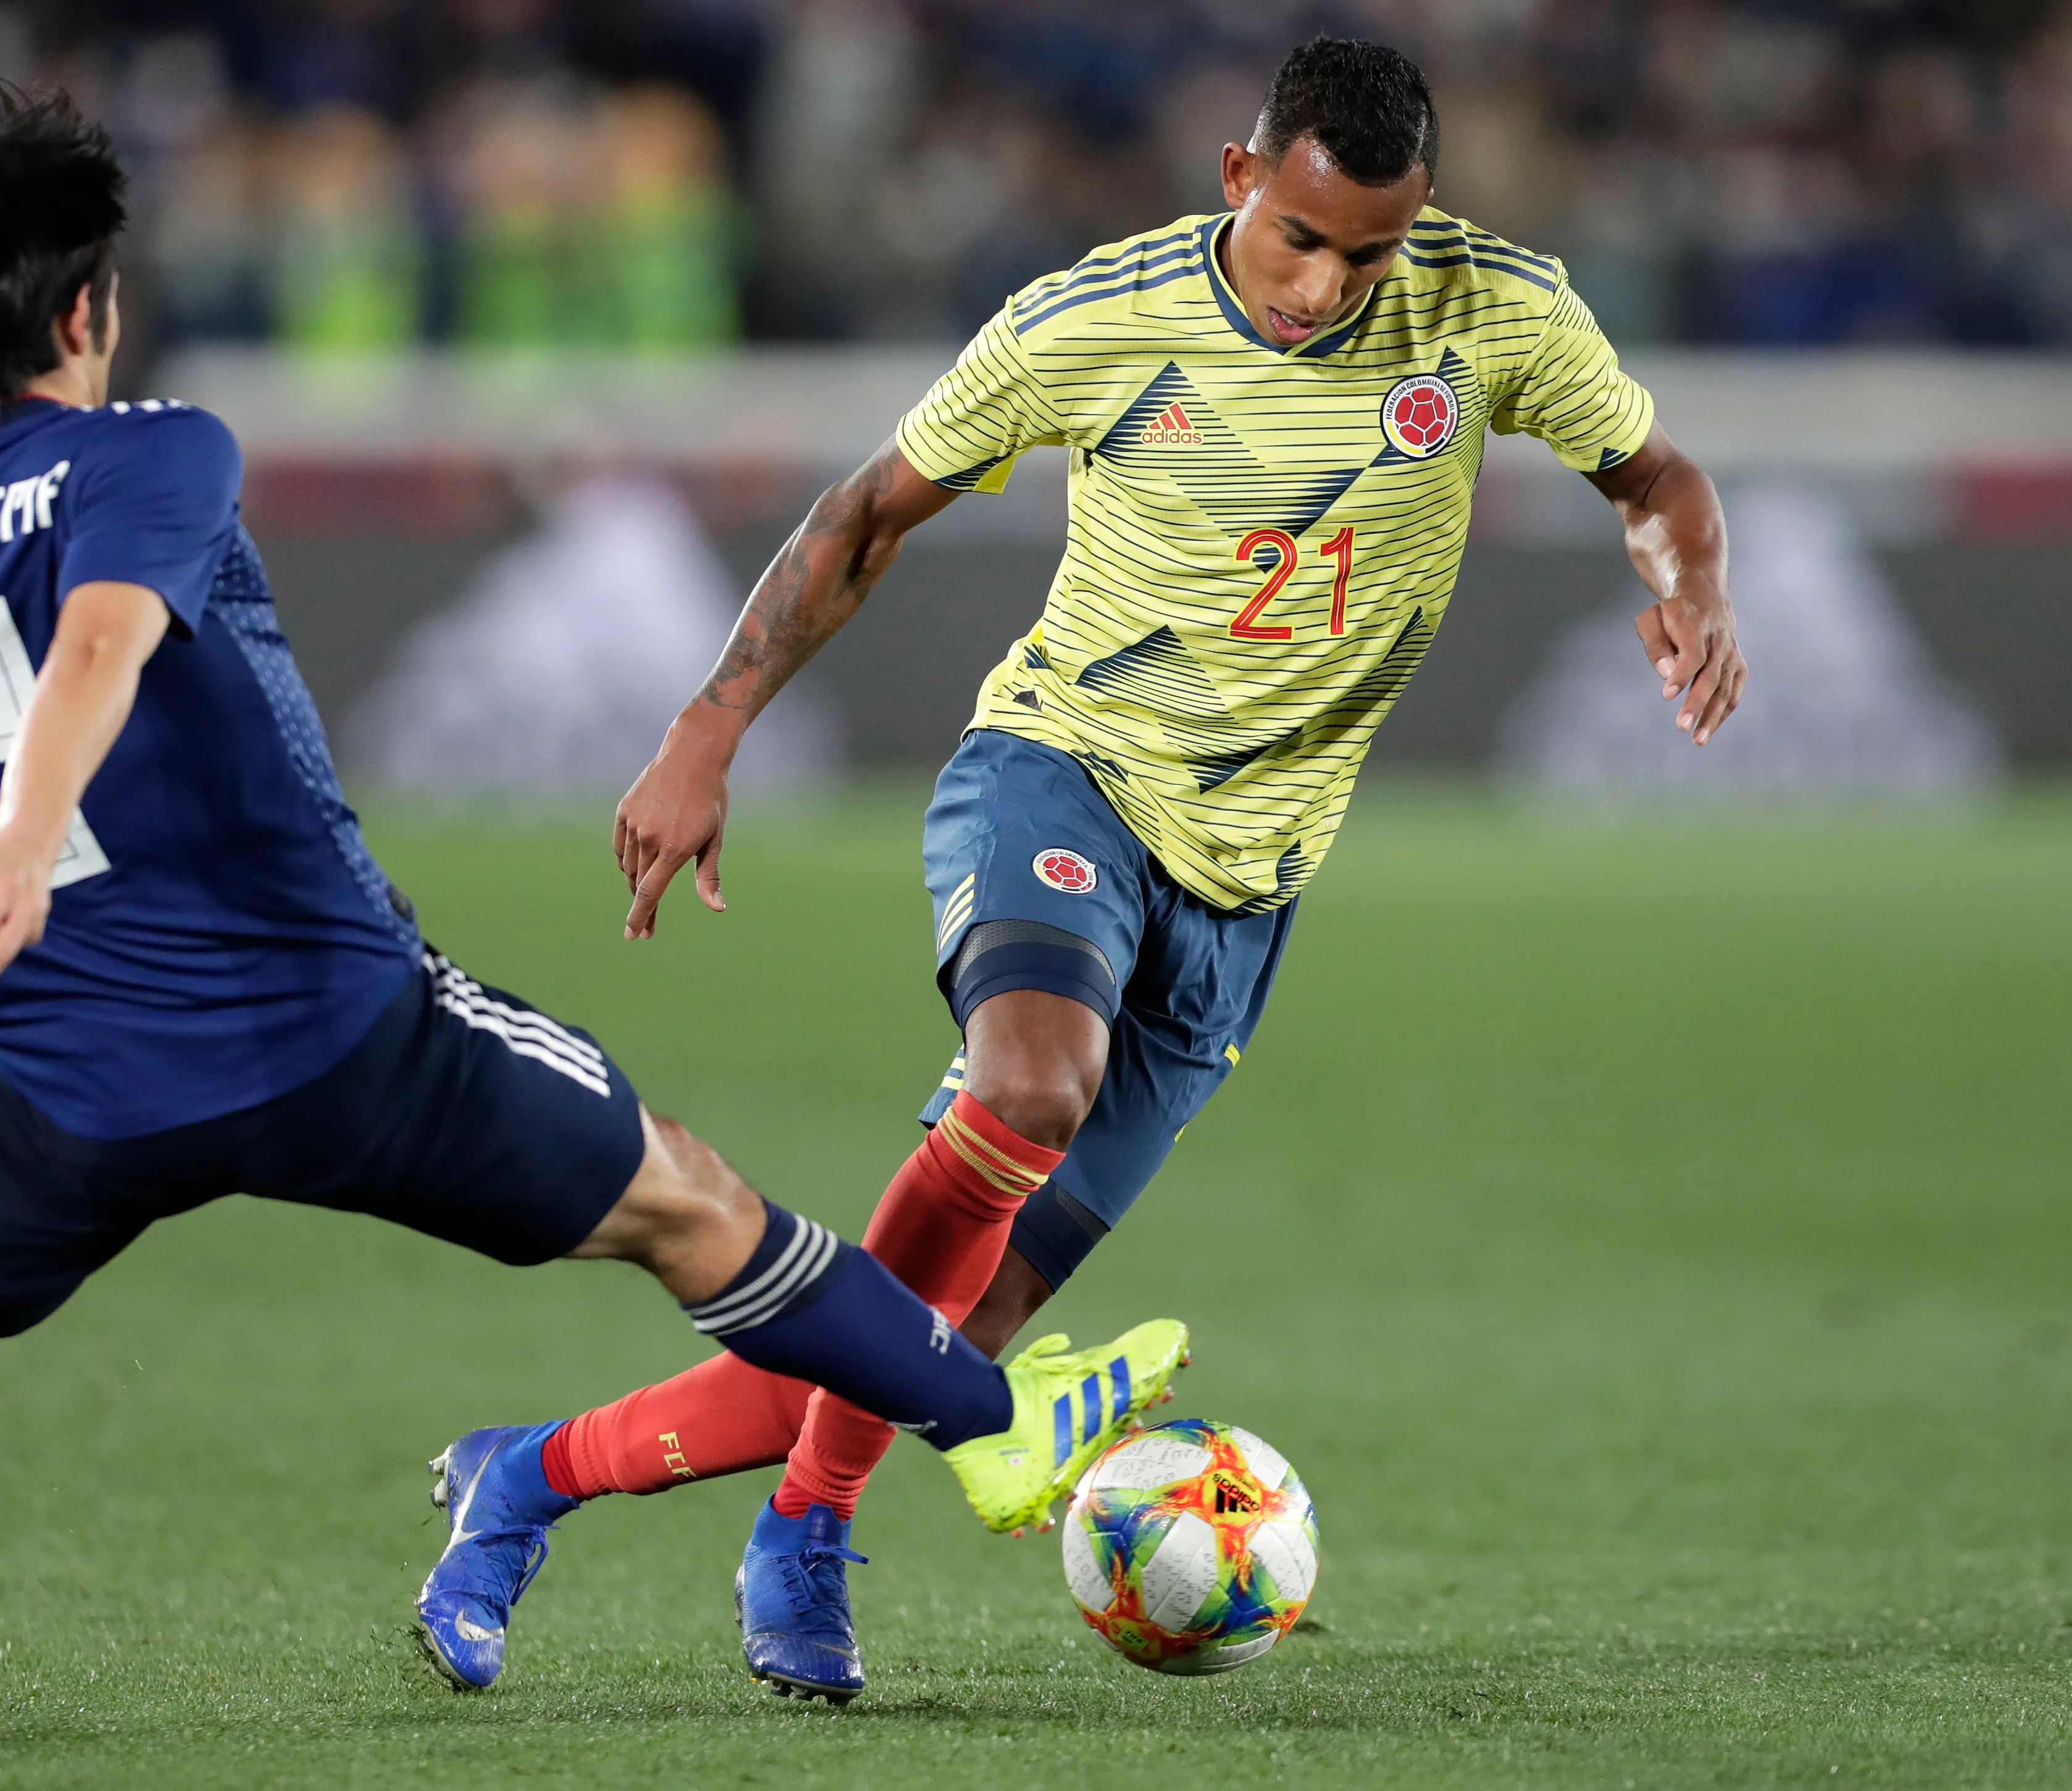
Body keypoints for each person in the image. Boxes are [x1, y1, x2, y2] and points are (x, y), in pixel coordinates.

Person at [0, 87, 1189, 1764]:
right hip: (342, 1040)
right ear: (84, 312)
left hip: (65, 1078)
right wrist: (32, 828)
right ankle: (987, 1427)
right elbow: (102, 635)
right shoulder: (155, 455)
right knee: (690, 1208)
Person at [414, 36, 1747, 1703]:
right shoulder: (1096, 319)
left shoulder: (1495, 312)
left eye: (1370, 253)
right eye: (1300, 237)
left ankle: (535, 1478)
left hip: (1248, 891)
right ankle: (802, 1538)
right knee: (1032, 1084)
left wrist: (1694, 582)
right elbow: (864, 515)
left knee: (934, 1342)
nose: (1326, 286)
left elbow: (1654, 475)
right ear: (1239, 178)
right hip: (1067, 774)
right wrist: (708, 726)